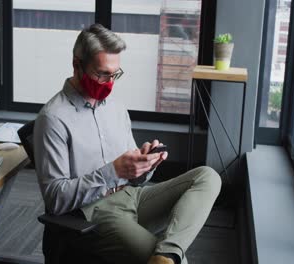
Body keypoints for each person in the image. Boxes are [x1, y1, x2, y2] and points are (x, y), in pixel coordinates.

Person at [33, 23, 221, 264]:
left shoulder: (116, 108)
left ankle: (167, 253)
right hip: (94, 212)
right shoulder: (53, 118)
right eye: (102, 73)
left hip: (133, 196)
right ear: (76, 65)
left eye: (115, 74)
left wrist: (145, 164)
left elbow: (136, 179)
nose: (109, 82)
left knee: (207, 177)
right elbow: (55, 199)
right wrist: (113, 172)